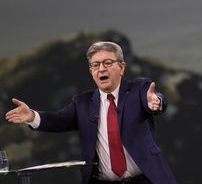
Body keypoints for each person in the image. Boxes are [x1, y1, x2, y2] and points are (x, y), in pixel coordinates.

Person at [5, 41, 177, 184]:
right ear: (91, 72)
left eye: (107, 63)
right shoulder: (82, 103)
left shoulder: (138, 89)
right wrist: (32, 116)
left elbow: (154, 99)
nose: (101, 69)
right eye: (95, 65)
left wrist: (156, 102)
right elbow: (58, 119)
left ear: (122, 67)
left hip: (145, 179)